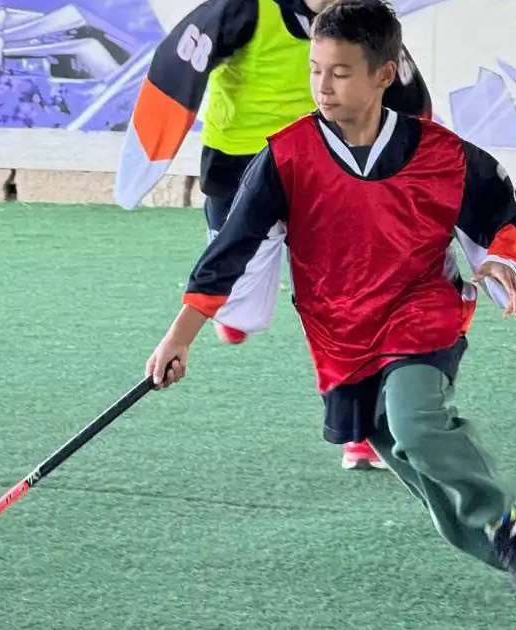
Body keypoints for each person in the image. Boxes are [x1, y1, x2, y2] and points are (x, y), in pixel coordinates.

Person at [143, 2, 516, 628]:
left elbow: (506, 213)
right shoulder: (286, 157)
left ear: (385, 75)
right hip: (341, 339)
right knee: (436, 497)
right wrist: (180, 339)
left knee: (416, 427)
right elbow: (230, 250)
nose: (322, 87)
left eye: (340, 73)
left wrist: (499, 260)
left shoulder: (441, 154)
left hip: (422, 317)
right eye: (315, 71)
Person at [117, 0, 431, 469]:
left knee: (346, 304)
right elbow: (175, 67)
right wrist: (145, 156)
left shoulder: (361, 18)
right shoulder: (242, 9)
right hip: (238, 173)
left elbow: (408, 98)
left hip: (321, 172)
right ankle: (235, 311)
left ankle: (360, 429)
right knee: (235, 300)